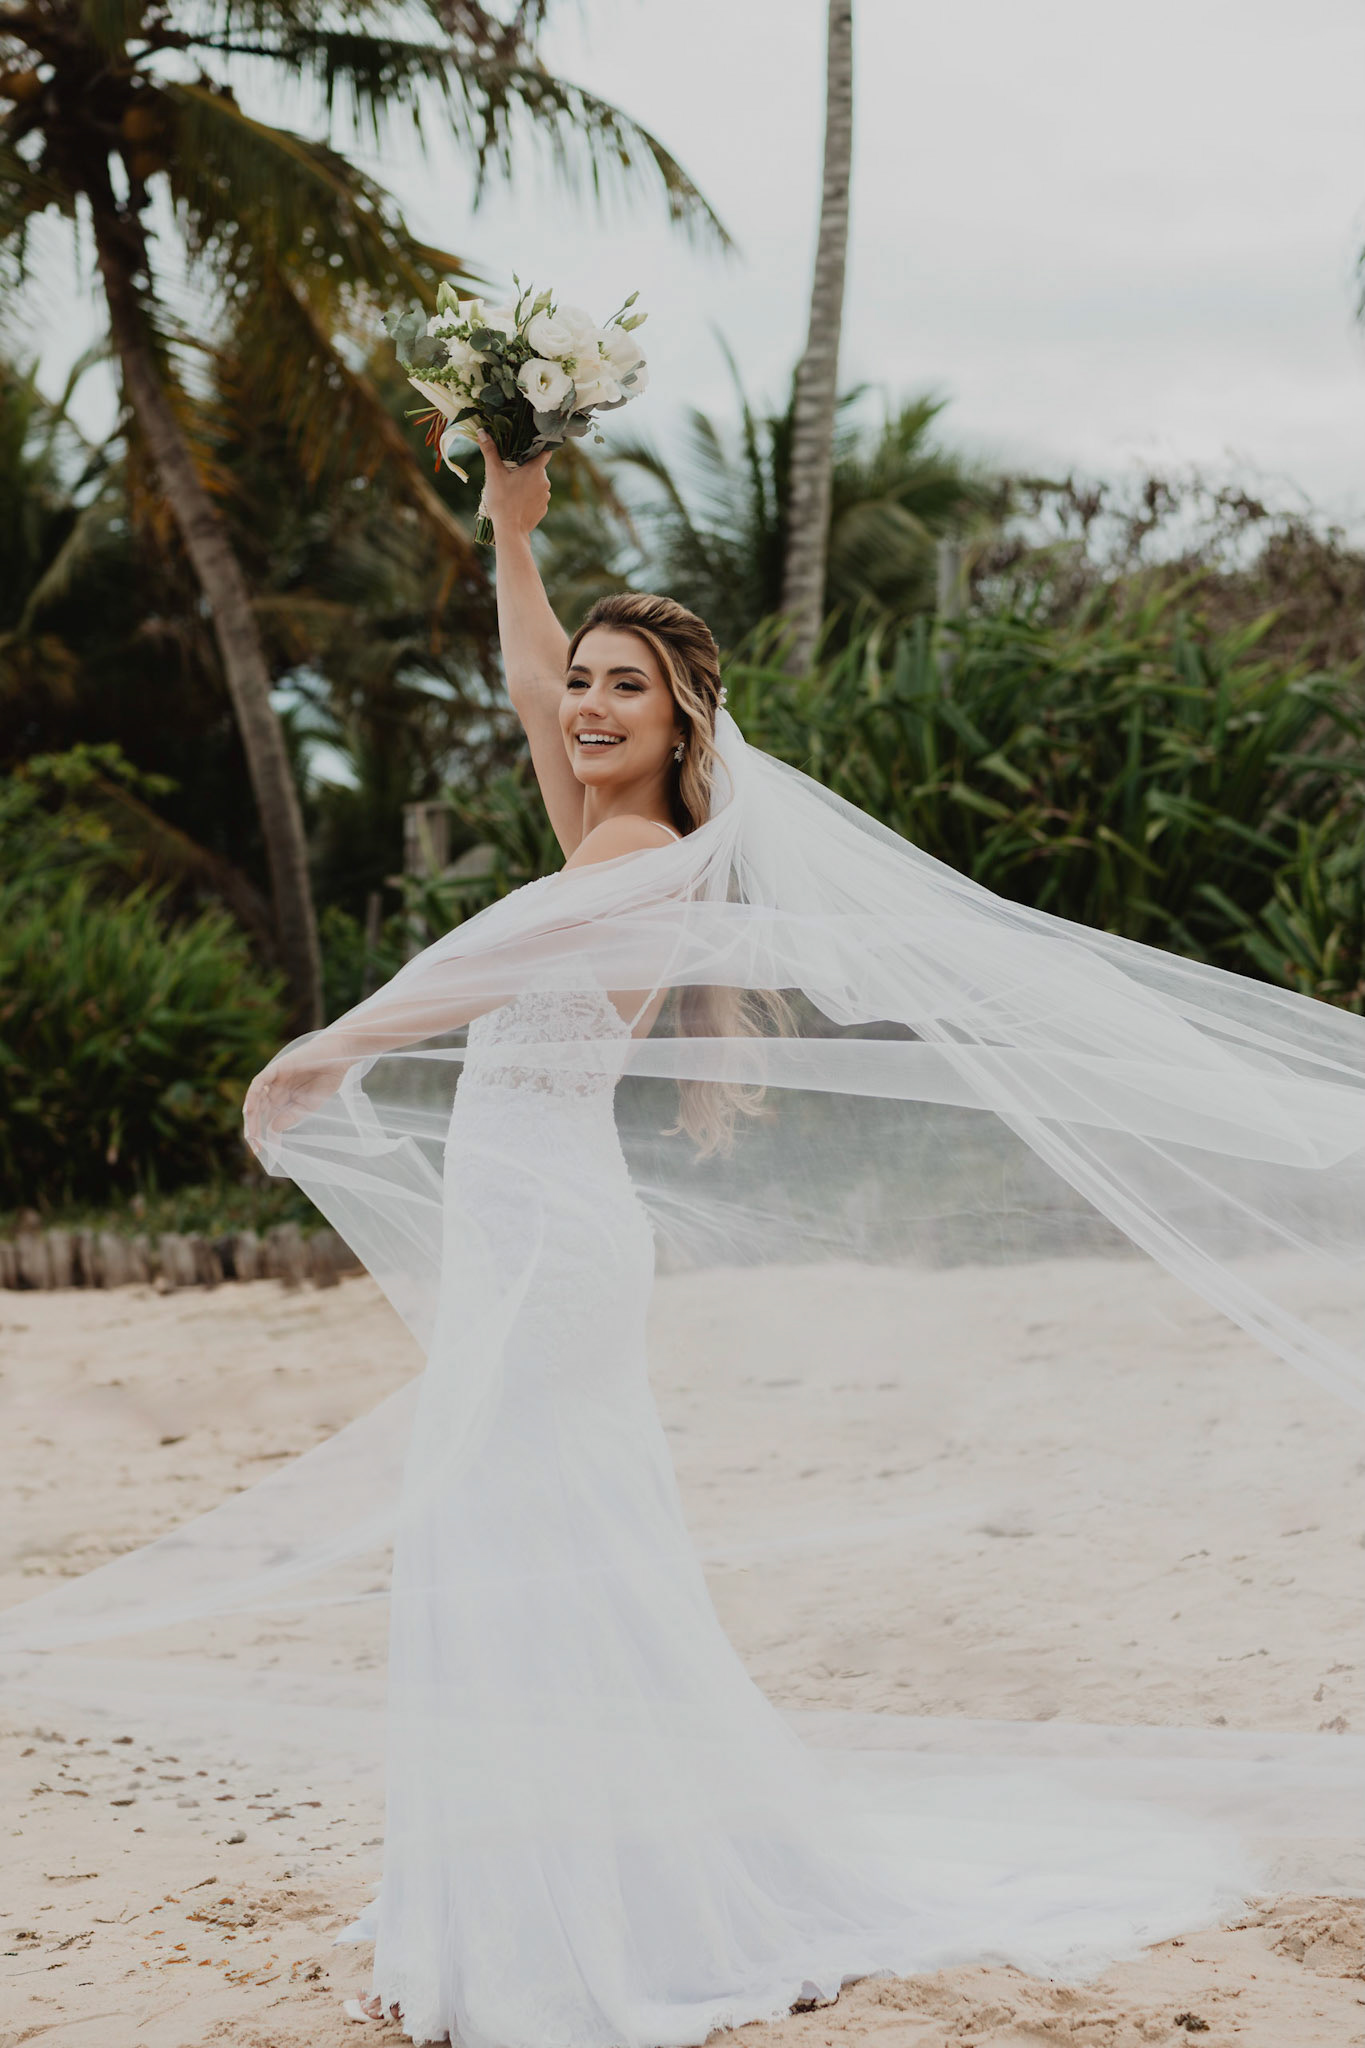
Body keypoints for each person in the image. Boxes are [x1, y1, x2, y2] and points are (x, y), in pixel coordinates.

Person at [239, 439, 1281, 2044]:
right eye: (584, 683)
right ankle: (540, 1877)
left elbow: (476, 959)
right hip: (537, 1219)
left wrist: (336, 1047)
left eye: (622, 693)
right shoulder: (597, 828)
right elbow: (524, 692)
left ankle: (586, 1909)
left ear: (680, 724)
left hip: (557, 1239)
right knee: (518, 1548)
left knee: (516, 1545)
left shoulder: (648, 862)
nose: (584, 706)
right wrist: (511, 533)